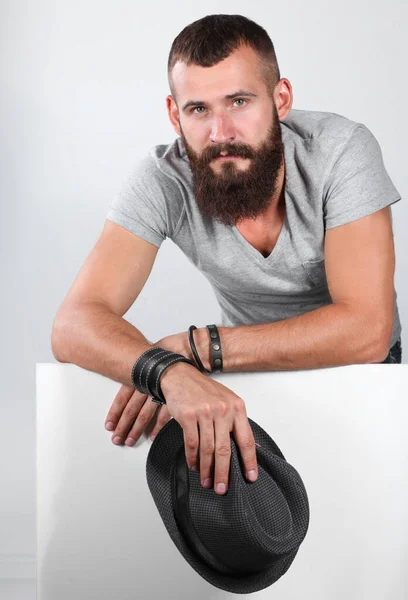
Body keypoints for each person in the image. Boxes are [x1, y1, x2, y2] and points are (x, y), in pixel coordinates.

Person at [51, 14, 402, 498]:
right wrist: (166, 370)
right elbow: (73, 323)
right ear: (175, 116)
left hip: (365, 381)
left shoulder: (340, 151)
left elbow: (367, 331)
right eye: (198, 109)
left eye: (239, 101)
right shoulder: (163, 178)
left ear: (280, 100)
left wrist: (198, 349)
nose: (220, 132)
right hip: (247, 380)